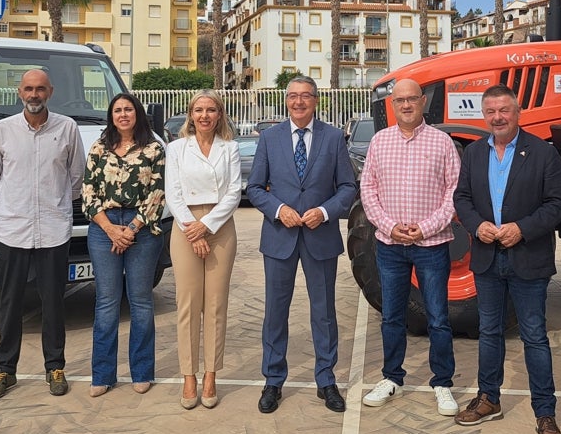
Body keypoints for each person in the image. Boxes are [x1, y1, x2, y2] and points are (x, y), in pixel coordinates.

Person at [453, 84, 561, 434]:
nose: (498, 117)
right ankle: (489, 397)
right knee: (489, 332)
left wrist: (523, 229)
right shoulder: (473, 154)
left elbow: (556, 204)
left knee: (534, 335)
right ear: (483, 115)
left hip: (527, 255)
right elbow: (462, 198)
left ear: (517, 112)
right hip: (487, 257)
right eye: (491, 112)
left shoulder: (541, 153)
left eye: (504, 110)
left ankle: (545, 413)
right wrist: (476, 225)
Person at [246, 75, 357, 415]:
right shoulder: (269, 138)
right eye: (292, 96)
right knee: (275, 314)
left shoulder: (334, 137)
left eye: (305, 96)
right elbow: (253, 188)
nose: (298, 102)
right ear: (286, 101)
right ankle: (273, 380)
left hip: (320, 237)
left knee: (323, 313)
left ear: (316, 100)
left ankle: (326, 380)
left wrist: (324, 212)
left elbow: (348, 187)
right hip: (279, 237)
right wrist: (279, 210)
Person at [359, 78, 460, 417]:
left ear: (422, 101)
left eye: (411, 99)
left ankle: (442, 382)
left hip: (431, 245)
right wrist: (389, 226)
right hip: (390, 245)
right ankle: (391, 377)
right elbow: (368, 192)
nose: (405, 105)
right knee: (392, 316)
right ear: (393, 105)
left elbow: (454, 194)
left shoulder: (442, 142)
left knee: (438, 317)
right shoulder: (379, 142)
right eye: (399, 100)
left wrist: (424, 228)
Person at [0, 68, 86, 400]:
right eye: (28, 89)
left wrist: (54, 204)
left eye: (40, 89)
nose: (34, 95)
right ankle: (5, 370)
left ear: (50, 92)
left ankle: (55, 366)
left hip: (53, 230)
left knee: (53, 301)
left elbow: (76, 177)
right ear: (19, 93)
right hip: (12, 229)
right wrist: (11, 205)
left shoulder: (67, 128)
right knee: (9, 301)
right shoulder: (3, 130)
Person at [81, 93, 167, 398]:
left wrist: (130, 230)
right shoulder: (99, 148)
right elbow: (88, 192)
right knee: (106, 301)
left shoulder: (154, 149)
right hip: (103, 227)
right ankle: (102, 374)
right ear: (111, 116)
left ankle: (142, 371)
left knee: (140, 300)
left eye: (128, 109)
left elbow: (158, 194)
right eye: (117, 110)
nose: (123, 114)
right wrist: (110, 229)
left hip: (141, 228)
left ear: (137, 113)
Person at [165, 90, 242, 410]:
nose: (205, 115)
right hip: (185, 226)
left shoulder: (230, 148)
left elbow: (235, 191)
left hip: (220, 226)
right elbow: (173, 191)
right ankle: (189, 376)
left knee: (215, 305)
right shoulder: (176, 149)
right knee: (187, 304)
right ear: (190, 114)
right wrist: (192, 228)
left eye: (211, 110)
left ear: (220, 114)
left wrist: (207, 225)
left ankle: (211, 374)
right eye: (199, 110)